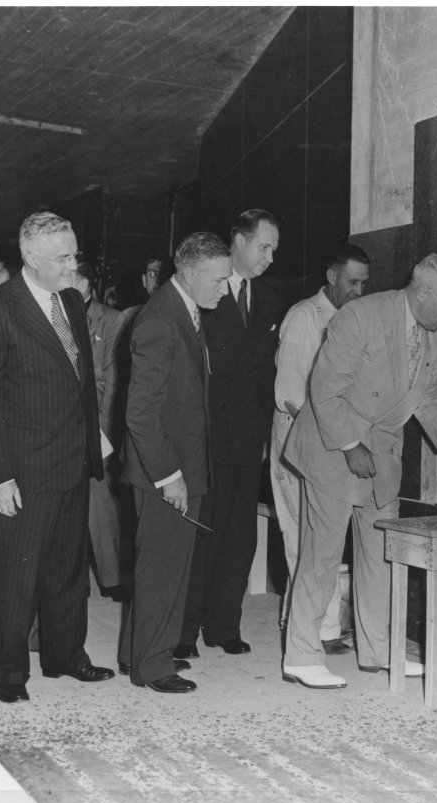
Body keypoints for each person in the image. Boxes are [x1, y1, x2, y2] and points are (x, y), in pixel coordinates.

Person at [281, 252, 437, 689]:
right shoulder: (361, 316)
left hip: (382, 457)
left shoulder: (436, 337)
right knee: (322, 555)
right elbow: (324, 389)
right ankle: (301, 654)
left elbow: (427, 396)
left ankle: (378, 650)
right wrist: (351, 445)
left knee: (379, 557)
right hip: (332, 445)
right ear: (424, 291)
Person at [0, 211, 114, 704]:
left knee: (68, 572)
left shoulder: (69, 301)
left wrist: (95, 450)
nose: (74, 266)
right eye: (63, 257)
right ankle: (8, 673)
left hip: (72, 461)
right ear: (30, 258)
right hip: (23, 471)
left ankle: (65, 656)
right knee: (14, 575)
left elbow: (81, 384)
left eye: (75, 254)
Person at [119, 232, 231, 694]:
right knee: (163, 568)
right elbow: (140, 412)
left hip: (183, 464)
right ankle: (153, 665)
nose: (224, 290)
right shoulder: (161, 321)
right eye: (219, 280)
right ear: (188, 273)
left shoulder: (183, 311)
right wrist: (169, 476)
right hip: (166, 470)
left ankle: (139, 652)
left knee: (166, 566)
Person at [177, 209, 282, 659]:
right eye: (263, 247)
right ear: (237, 241)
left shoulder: (271, 298)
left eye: (274, 249)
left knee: (240, 537)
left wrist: (263, 437)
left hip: (248, 441)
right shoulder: (204, 293)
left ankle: (224, 625)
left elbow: (265, 375)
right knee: (200, 535)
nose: (270, 258)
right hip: (206, 439)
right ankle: (183, 631)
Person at [271, 245, 370, 654]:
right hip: (299, 437)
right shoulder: (303, 318)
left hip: (332, 440)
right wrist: (333, 437)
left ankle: (315, 625)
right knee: (301, 535)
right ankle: (317, 631)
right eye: (352, 282)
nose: (359, 291)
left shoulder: (352, 320)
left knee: (323, 537)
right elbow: (291, 393)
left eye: (365, 283)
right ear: (331, 277)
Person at [70, 262, 127, 601]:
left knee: (100, 503)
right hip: (64, 425)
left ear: (87, 282)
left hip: (98, 427)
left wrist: (97, 431)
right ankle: (76, 579)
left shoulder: (113, 319)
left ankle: (111, 577)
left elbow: (111, 378)